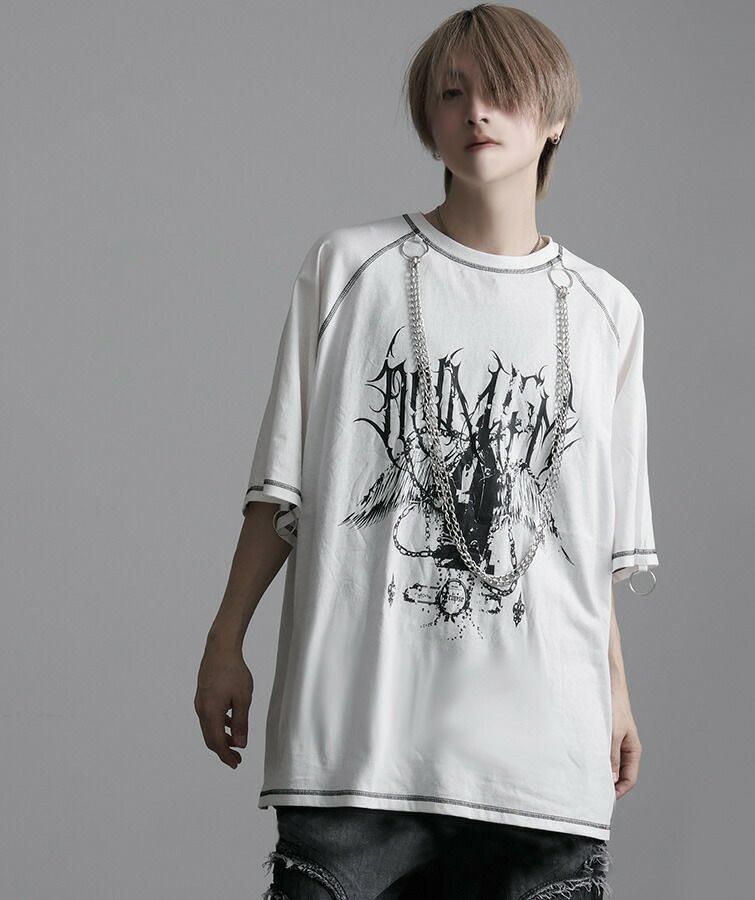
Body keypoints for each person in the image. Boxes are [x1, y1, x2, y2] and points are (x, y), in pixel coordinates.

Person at [194, 5, 660, 898]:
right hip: (357, 757)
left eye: (502, 92)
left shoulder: (609, 313)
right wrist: (226, 640)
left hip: (541, 766)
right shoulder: (348, 269)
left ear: (555, 118)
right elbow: (282, 489)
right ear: (428, 122)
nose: (476, 111)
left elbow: (584, 540)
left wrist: (617, 693)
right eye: (452, 94)